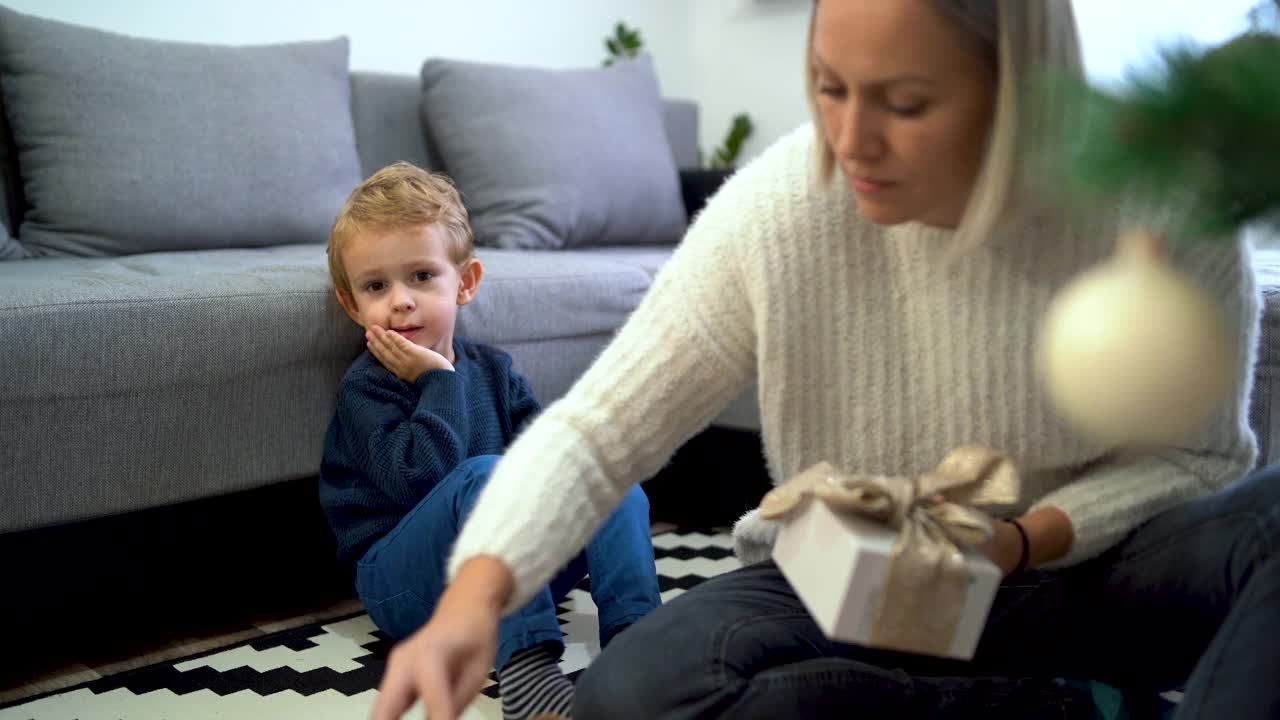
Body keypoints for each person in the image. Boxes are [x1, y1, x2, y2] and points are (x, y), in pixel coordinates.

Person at [371, 2, 1280, 719]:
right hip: (862, 595)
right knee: (630, 697)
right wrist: (475, 597)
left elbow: (1199, 459)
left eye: (906, 102)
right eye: (828, 86)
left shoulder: (1159, 195)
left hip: (1096, 576)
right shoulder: (781, 210)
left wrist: (1021, 540)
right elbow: (600, 427)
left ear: (1024, 87)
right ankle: (1077, 709)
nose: (850, 141)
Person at [318, 162, 661, 720]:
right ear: (352, 304)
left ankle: (638, 642)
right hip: (406, 583)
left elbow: (550, 463)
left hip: (509, 567)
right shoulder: (367, 390)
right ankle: (527, 670)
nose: (400, 300)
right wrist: (438, 383)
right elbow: (421, 482)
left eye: (422, 276)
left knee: (603, 476)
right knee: (484, 475)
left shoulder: (496, 372)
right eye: (376, 286)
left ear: (466, 282)